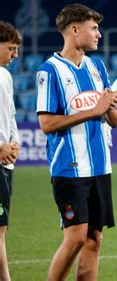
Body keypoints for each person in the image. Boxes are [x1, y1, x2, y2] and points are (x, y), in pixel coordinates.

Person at [36, 4, 117, 281]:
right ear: (74, 29)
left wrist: (110, 108)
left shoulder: (97, 67)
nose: (99, 34)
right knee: (74, 239)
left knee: (94, 238)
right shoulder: (50, 71)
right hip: (69, 168)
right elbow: (47, 124)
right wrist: (93, 111)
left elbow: (114, 121)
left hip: (99, 167)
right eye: (93, 28)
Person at [0, 21, 21, 281]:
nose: (15, 54)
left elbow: (11, 116)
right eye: (10, 48)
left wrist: (13, 144)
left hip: (6, 164)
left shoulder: (5, 75)